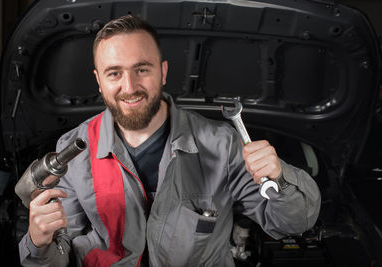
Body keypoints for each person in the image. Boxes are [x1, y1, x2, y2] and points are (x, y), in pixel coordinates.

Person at [18, 15, 321, 267]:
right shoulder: (73, 150)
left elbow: (290, 225)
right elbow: (58, 256)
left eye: (142, 69)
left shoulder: (221, 145)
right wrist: (38, 242)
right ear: (99, 81)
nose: (130, 87)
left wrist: (280, 180)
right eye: (114, 73)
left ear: (162, 72)